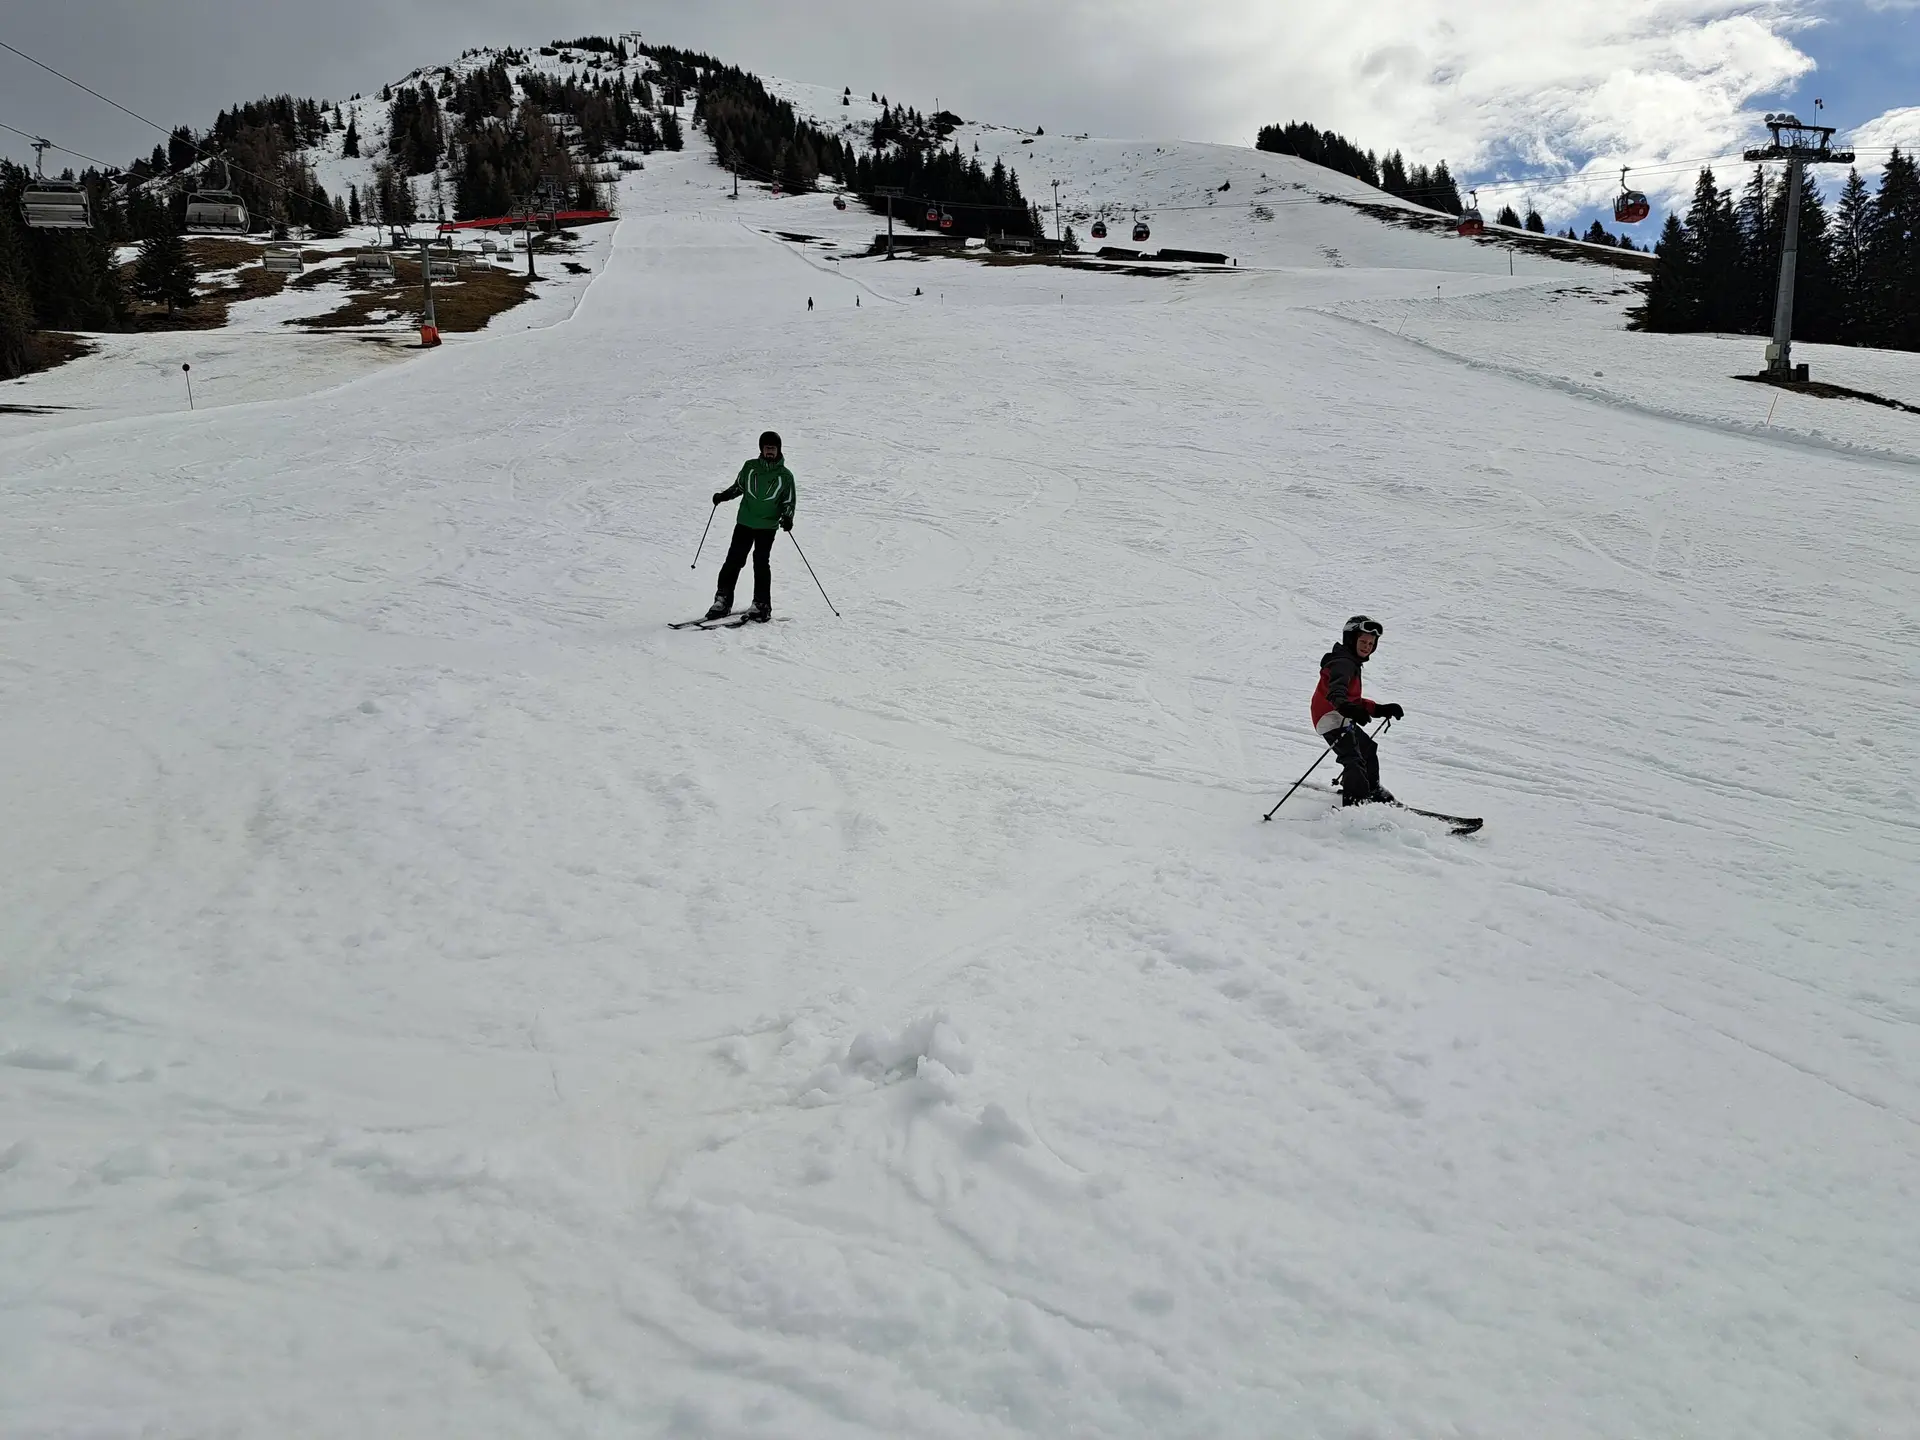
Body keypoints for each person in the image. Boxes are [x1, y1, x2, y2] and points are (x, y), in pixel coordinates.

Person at [1309, 615, 1405, 805]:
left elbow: (1353, 699)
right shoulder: (1343, 664)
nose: (1367, 646)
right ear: (1351, 640)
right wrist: (1348, 708)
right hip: (1330, 718)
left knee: (1368, 748)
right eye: (1363, 641)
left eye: (1371, 643)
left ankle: (1370, 789)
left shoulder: (1350, 662)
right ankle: (1356, 805)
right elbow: (1336, 693)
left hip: (1340, 715)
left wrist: (1378, 709)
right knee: (1352, 758)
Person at [705, 431, 796, 622]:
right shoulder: (750, 467)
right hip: (745, 522)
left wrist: (787, 518)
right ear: (761, 449)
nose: (770, 451)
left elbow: (789, 502)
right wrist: (723, 496)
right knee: (733, 561)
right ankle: (722, 600)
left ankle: (762, 605)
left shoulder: (785, 476)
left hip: (767, 526)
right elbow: (739, 487)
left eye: (773, 448)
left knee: (761, 563)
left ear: (778, 450)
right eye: (767, 448)